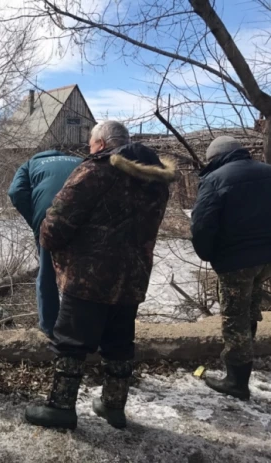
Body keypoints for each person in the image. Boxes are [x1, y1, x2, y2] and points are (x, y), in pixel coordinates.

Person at [25, 121, 176, 430]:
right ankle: (113, 406)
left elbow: (56, 223)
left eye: (92, 144)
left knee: (70, 342)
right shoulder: (157, 181)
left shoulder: (95, 170)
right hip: (133, 275)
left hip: (89, 275)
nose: (89, 149)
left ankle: (61, 408)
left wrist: (50, 244)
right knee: (119, 342)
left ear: (102, 144)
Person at [191, 136, 271, 400]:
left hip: (236, 262)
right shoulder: (267, 172)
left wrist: (209, 254)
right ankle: (244, 364)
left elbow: (202, 225)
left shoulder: (215, 180)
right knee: (249, 309)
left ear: (215, 157)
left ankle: (237, 381)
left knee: (234, 319)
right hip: (266, 259)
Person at [8, 148, 82, 338]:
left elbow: (16, 192)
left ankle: (49, 328)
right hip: (84, 215)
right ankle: (81, 325)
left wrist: (35, 219)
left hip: (48, 216)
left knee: (47, 271)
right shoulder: (80, 160)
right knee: (81, 271)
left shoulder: (31, 164)